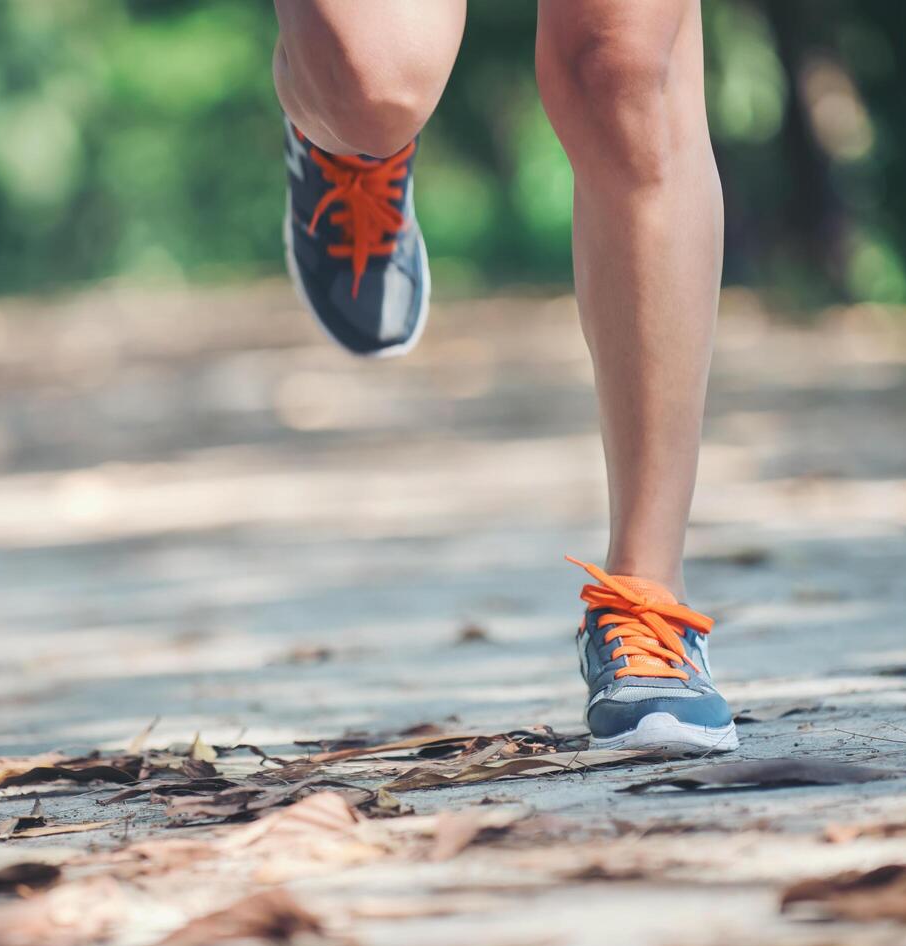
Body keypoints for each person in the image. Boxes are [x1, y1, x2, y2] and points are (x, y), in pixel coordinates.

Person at [275, 0, 735, 755]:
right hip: (358, 108)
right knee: (373, 86)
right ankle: (348, 150)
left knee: (620, 67)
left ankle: (646, 598)